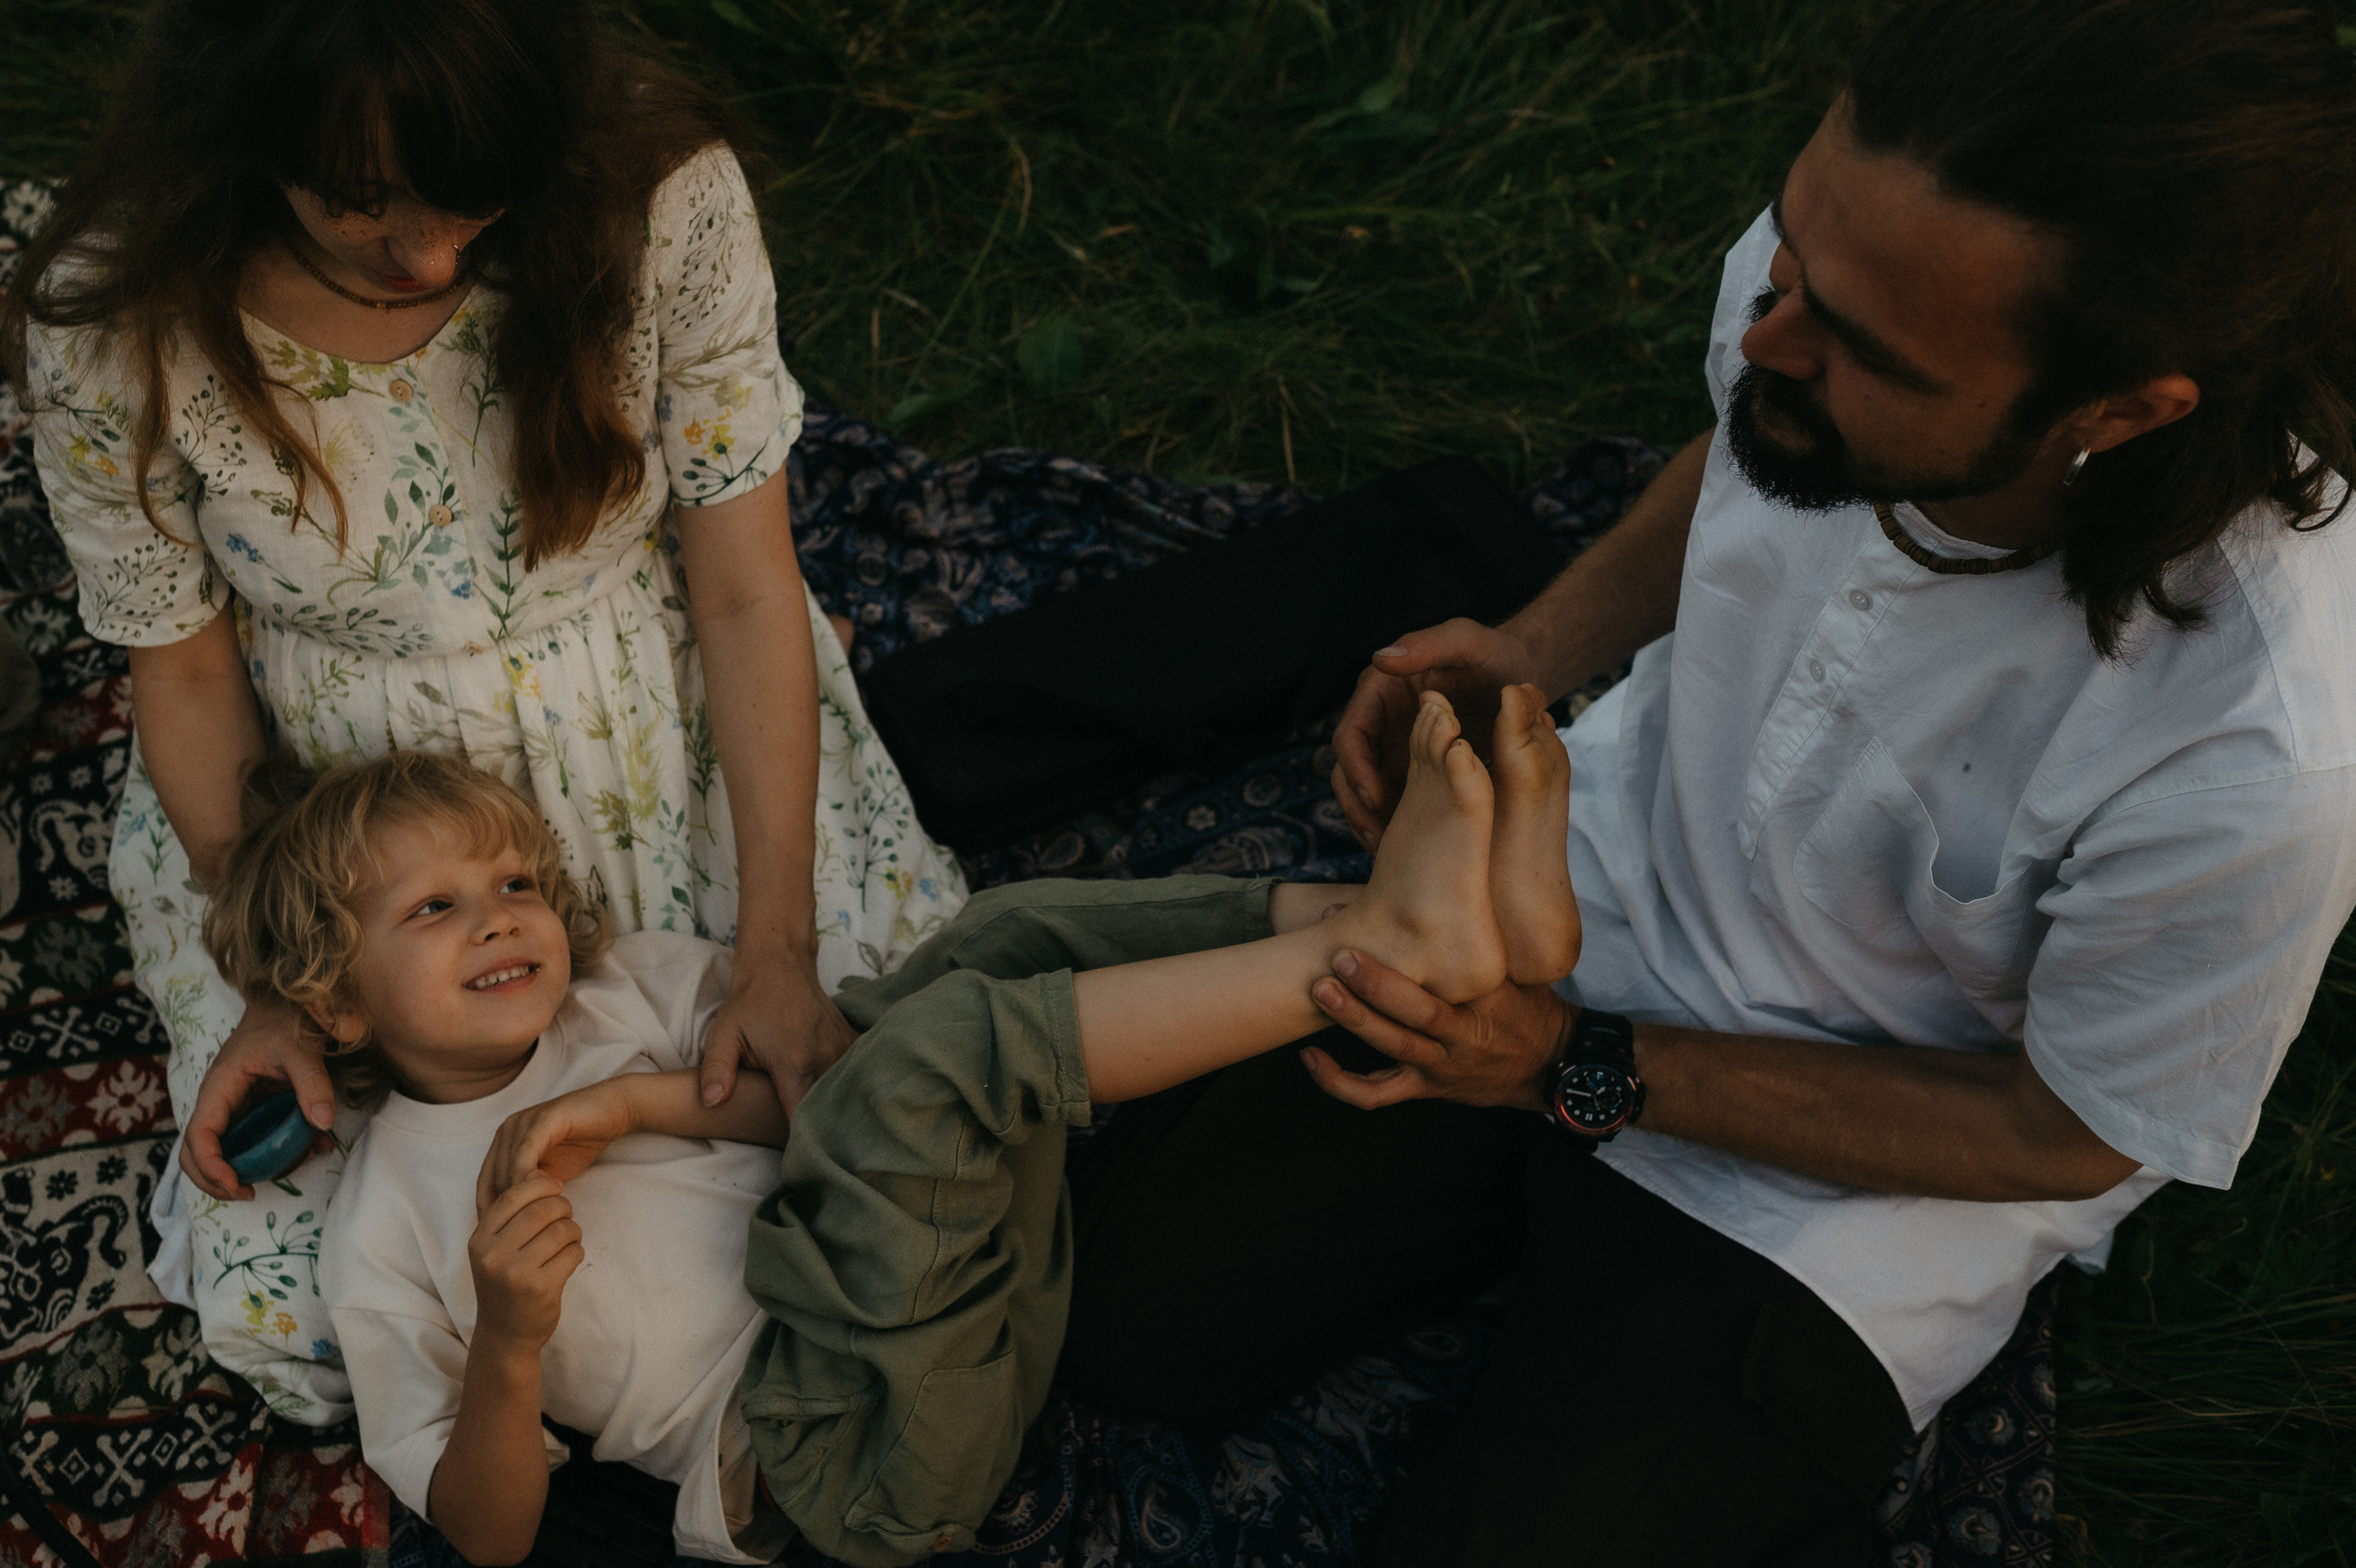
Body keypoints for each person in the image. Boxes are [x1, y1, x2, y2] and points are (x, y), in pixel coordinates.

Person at [1048, 1, 2356, 1562]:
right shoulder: (1856, 272)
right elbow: (1751, 441)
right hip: (1584, 904)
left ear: (2120, 411)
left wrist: (1565, 1069)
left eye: (1861, 347)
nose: (1766, 337)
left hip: (1841, 1204)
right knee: (1120, 1319)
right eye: (1793, 263)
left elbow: (2061, 1134)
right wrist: (1533, 648)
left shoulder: (2260, 751)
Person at [1, 0, 963, 1424]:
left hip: (654, 735)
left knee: (885, 1125)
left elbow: (751, 592)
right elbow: (188, 671)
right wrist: (274, 979)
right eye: (362, 206)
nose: (432, 257)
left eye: (472, 201)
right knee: (338, 1309)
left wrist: (775, 947)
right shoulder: (124, 310)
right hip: (339, 831)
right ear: (246, 128)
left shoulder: (657, 193)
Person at [210, 689, 1576, 1565]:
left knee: (995, 937)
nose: (502, 914)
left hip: (959, 1281)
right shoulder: (390, 1225)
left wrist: (624, 1099)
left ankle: (1376, 929)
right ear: (332, 997)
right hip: (838, 1446)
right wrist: (509, 1342)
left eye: (510, 878)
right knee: (926, 1067)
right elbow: (485, 1531)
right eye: (434, 909)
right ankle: (1395, 951)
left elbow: (807, 1095)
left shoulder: (627, 990)